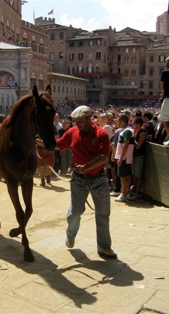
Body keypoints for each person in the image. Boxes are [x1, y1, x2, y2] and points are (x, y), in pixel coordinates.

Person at [53, 105, 117, 258]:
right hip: (78, 180)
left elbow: (103, 157)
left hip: (99, 179)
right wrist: (41, 142)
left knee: (103, 213)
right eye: (75, 121)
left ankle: (104, 247)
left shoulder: (101, 134)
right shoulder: (73, 131)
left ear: (89, 119)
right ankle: (70, 234)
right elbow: (60, 144)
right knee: (76, 211)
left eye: (80, 121)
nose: (77, 124)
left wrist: (86, 167)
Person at [113, 114, 134, 202]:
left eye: (118, 121)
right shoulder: (125, 131)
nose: (117, 123)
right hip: (125, 157)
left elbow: (126, 145)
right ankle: (126, 192)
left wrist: (121, 158)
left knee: (123, 176)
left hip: (124, 158)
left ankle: (124, 193)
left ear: (122, 121)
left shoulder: (127, 131)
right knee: (127, 176)